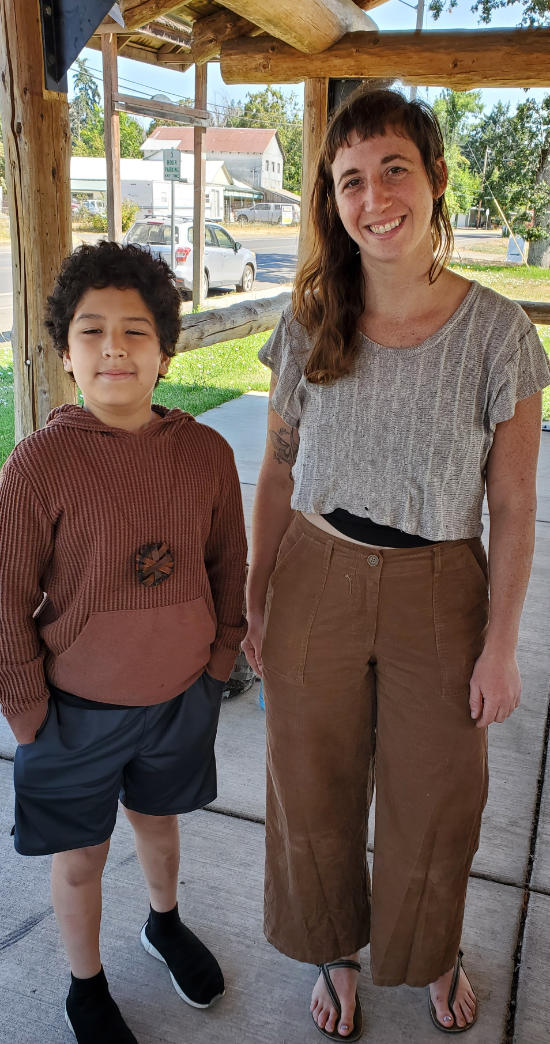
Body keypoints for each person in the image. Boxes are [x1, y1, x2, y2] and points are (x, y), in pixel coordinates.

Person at [242, 87, 550, 1041]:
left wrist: (502, 647)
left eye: (393, 170)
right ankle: (333, 949)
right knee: (311, 779)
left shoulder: (501, 333)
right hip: (314, 574)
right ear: (332, 204)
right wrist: (256, 603)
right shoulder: (308, 324)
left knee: (438, 794)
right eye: (349, 181)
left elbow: (511, 502)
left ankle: (428, 949)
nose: (373, 197)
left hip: (440, 589)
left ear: (436, 179)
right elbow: (276, 471)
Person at [0, 241, 247, 1043]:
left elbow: (227, 565)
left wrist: (218, 661)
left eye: (137, 331)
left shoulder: (206, 454)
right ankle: (84, 982)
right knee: (80, 859)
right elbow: (5, 596)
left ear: (167, 352)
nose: (114, 347)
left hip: (179, 699)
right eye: (92, 331)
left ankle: (165, 923)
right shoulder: (38, 465)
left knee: (161, 826)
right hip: (72, 713)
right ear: (65, 353)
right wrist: (28, 711)